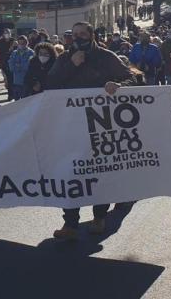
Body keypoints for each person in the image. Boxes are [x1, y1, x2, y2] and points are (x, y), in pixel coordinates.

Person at [47, 22, 136, 240]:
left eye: (83, 34)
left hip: (101, 126)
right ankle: (70, 223)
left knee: (100, 172)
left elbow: (133, 78)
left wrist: (118, 85)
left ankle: (99, 216)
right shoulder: (65, 59)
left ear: (91, 35)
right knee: (72, 174)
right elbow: (50, 84)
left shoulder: (106, 57)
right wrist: (72, 65)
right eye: (75, 34)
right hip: (71, 127)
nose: (78, 37)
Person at [7, 35, 35, 100]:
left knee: (26, 102)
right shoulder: (14, 53)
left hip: (26, 82)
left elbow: (28, 67)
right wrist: (21, 66)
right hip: (16, 82)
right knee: (17, 103)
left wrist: (18, 66)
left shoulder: (31, 53)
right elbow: (11, 67)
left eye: (23, 43)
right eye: (20, 43)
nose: (21, 45)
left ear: (27, 43)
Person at [0, 29, 14, 98]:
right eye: (5, 33)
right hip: (4, 63)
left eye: (8, 33)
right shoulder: (1, 41)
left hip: (12, 62)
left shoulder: (13, 41)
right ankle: (10, 94)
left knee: (11, 79)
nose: (6, 34)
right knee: (7, 79)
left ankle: (12, 94)